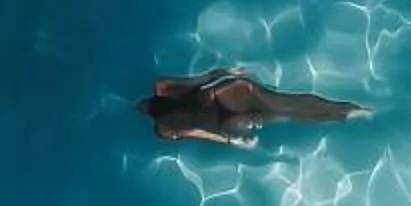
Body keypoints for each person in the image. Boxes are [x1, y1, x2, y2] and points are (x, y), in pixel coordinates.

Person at [139, 68, 368, 148]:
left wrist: (231, 141)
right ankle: (348, 110)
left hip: (224, 123)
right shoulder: (163, 87)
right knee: (287, 105)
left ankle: (344, 116)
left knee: (285, 115)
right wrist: (228, 73)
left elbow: (199, 134)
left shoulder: (164, 130)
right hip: (228, 96)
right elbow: (200, 80)